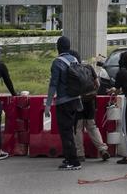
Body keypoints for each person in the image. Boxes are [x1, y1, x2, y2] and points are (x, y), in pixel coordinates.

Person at [45, 36, 83, 171]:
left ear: (58, 47)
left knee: (65, 132)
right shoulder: (74, 60)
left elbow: (53, 85)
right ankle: (69, 157)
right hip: (75, 100)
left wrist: (48, 105)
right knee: (70, 130)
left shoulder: (57, 63)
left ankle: (73, 161)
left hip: (63, 102)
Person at [72, 52, 110, 162]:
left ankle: (80, 154)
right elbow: (97, 84)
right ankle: (103, 149)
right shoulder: (89, 67)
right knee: (92, 127)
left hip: (78, 101)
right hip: (90, 101)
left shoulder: (72, 70)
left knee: (78, 128)